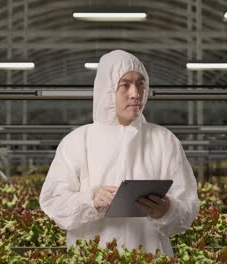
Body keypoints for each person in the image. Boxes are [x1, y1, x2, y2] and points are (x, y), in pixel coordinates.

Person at [39, 50, 200, 256]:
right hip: (92, 257)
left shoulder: (164, 140)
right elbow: (53, 202)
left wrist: (167, 210)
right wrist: (91, 200)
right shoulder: (78, 141)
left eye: (140, 84)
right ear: (108, 89)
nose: (135, 93)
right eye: (125, 85)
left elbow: (189, 205)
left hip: (149, 256)